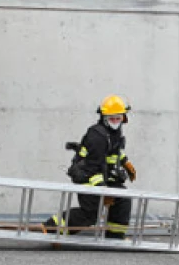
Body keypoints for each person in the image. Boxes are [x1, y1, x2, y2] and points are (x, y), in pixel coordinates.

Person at [43, 95, 137, 239]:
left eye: (119, 118)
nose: (116, 122)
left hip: (103, 176)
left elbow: (113, 152)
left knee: (123, 199)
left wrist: (125, 162)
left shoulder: (114, 133)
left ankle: (115, 236)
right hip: (87, 176)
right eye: (112, 118)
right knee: (90, 214)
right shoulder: (97, 136)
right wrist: (103, 191)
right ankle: (51, 228)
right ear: (104, 117)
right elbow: (93, 167)